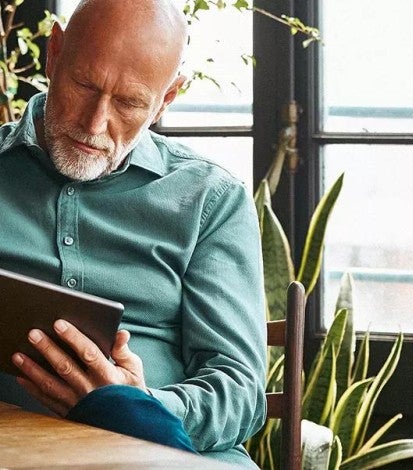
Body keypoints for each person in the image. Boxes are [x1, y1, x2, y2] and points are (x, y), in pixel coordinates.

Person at [0, 0, 267, 467]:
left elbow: (240, 391)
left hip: (170, 453)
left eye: (129, 102)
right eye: (84, 85)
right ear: (54, 53)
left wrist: (139, 405)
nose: (94, 123)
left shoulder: (211, 200)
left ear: (166, 99)